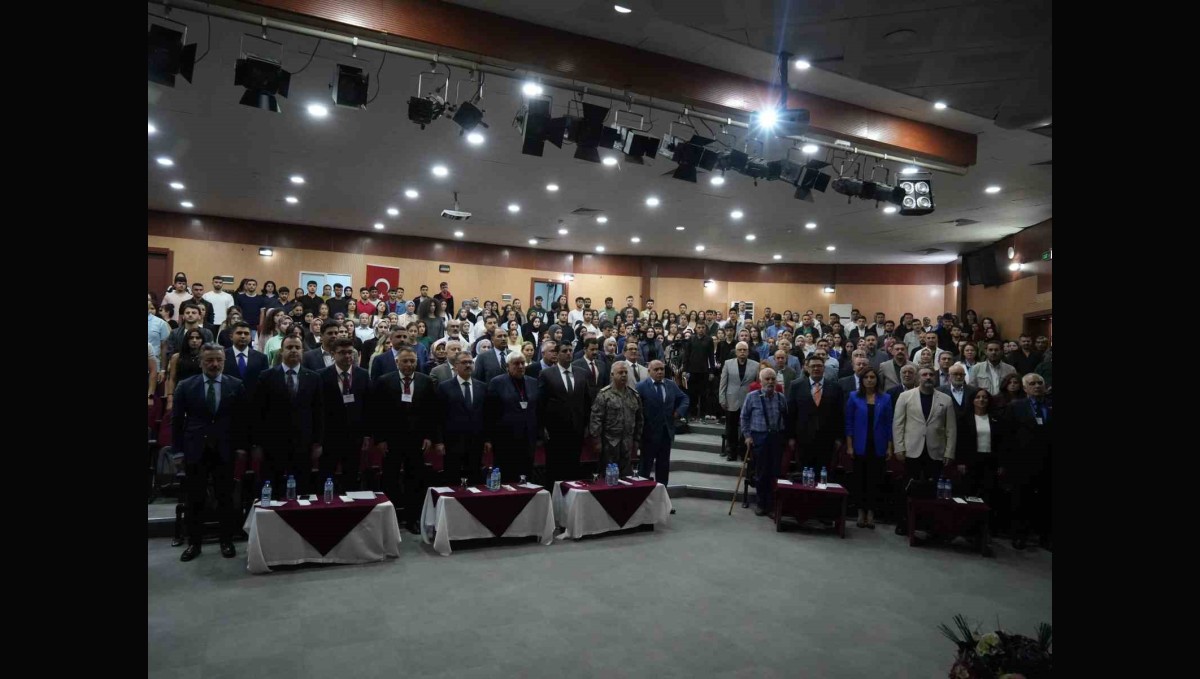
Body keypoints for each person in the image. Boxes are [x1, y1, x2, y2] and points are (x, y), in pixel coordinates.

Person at [172, 343, 248, 561]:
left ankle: (226, 540)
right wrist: (177, 452)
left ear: (224, 361)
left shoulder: (236, 385)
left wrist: (242, 447)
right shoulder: (186, 386)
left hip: (225, 449)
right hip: (195, 450)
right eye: (209, 360)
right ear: (201, 361)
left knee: (225, 498)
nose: (214, 364)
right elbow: (177, 422)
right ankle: (194, 543)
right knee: (195, 499)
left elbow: (242, 421)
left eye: (218, 360)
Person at [370, 347, 438, 533]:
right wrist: (380, 439)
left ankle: (412, 519)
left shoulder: (425, 381)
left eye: (412, 361)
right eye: (405, 361)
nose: (409, 365)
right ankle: (389, 521)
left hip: (416, 440)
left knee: (414, 480)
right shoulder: (384, 381)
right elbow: (377, 413)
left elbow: (432, 413)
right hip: (391, 440)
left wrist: (429, 437)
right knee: (390, 479)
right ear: (397, 362)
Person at [252, 334, 326, 496]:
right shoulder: (267, 376)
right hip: (274, 442)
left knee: (302, 487)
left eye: (297, 348)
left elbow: (319, 412)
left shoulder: (314, 378)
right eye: (289, 347)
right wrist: (257, 444)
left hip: (303, 442)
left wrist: (318, 443)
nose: (293, 351)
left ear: (302, 351)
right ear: (281, 351)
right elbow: (258, 412)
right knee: (273, 487)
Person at [892, 367, 957, 536]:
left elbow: (951, 428)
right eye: (924, 375)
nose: (928, 377)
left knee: (933, 490)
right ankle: (903, 522)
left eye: (931, 375)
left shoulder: (946, 399)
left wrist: (949, 452)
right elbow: (898, 424)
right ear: (918, 378)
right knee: (906, 488)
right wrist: (899, 447)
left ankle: (929, 525)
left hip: (935, 451)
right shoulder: (905, 396)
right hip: (911, 450)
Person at [1002, 373, 1052, 550]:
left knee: (1046, 500)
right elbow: (1007, 436)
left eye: (1040, 383)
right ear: (1025, 388)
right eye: (1032, 383)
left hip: (1046, 461)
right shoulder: (1016, 407)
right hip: (1022, 461)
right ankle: (1019, 535)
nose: (1037, 386)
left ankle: (1045, 537)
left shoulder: (1049, 406)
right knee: (1021, 499)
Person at [318, 338, 371, 493]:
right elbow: (319, 408)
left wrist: (367, 434)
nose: (348, 356)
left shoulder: (362, 375)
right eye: (342, 352)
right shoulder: (322, 376)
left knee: (352, 476)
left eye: (350, 352)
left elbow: (368, 406)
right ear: (333, 354)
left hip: (354, 436)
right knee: (326, 476)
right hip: (330, 435)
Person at [844, 367, 893, 529]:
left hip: (878, 445)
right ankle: (860, 512)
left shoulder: (885, 398)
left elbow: (889, 424)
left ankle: (871, 513)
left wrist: (889, 447)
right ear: (862, 380)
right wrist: (850, 446)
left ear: (877, 380)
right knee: (859, 479)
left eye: (872, 377)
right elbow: (849, 423)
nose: (870, 380)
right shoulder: (853, 397)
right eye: (866, 377)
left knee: (875, 480)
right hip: (859, 445)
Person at [538, 341, 592, 485]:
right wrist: (542, 427)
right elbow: (541, 403)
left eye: (570, 350)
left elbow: (587, 402)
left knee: (573, 467)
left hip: (577, 428)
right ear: (557, 354)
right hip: (555, 430)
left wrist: (587, 425)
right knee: (555, 468)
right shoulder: (546, 374)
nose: (569, 353)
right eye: (564, 351)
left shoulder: (582, 373)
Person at [483, 352, 540, 482]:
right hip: (505, 439)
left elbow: (537, 409)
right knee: (507, 477)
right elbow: (490, 413)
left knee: (526, 476)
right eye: (516, 363)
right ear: (507, 366)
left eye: (522, 363)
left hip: (528, 438)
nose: (520, 366)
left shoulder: (533, 382)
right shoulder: (497, 383)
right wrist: (489, 438)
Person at [741, 368, 789, 517]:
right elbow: (744, 417)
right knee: (761, 472)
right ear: (760, 381)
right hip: (759, 437)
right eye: (767, 379)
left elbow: (786, 416)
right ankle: (761, 504)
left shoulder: (781, 397)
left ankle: (773, 505)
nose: (770, 382)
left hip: (776, 438)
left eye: (773, 379)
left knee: (775, 472)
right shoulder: (751, 397)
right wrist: (747, 436)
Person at [434, 351, 487, 485]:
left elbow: (486, 416)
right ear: (456, 366)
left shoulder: (482, 387)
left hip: (476, 441)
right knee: (453, 480)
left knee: (475, 479)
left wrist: (488, 439)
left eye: (470, 362)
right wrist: (439, 441)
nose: (468, 365)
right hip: (453, 442)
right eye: (464, 362)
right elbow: (439, 416)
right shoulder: (444, 387)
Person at [788, 355, 844, 479]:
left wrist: (839, 438)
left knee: (823, 475)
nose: (816, 368)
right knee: (804, 474)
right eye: (813, 366)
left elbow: (839, 414)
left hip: (827, 440)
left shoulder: (835, 387)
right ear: (807, 368)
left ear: (824, 368)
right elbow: (792, 413)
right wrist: (791, 437)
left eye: (819, 366)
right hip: (803, 439)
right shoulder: (796, 386)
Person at [588, 361, 643, 476]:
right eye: (620, 373)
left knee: (626, 476)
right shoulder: (604, 394)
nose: (624, 375)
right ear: (612, 375)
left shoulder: (634, 395)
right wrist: (596, 441)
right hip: (609, 442)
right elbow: (596, 419)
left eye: (625, 373)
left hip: (627, 442)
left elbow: (639, 419)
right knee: (609, 476)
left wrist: (637, 439)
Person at [719, 342, 759, 462]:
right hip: (731, 399)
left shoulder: (756, 365)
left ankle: (743, 452)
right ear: (736, 352)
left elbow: (757, 384)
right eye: (740, 350)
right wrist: (722, 398)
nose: (742, 352)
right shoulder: (728, 363)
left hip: (748, 400)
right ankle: (731, 452)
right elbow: (723, 382)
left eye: (744, 350)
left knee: (745, 428)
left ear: (748, 352)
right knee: (731, 428)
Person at [222, 321, 269, 397]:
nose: (243, 336)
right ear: (231, 336)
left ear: (251, 337)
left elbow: (265, 384)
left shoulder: (261, 358)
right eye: (239, 333)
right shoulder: (222, 356)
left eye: (246, 333)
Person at [165, 328, 207, 413]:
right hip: (181, 393)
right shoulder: (176, 357)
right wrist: (170, 399)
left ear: (202, 340)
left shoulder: (206, 358)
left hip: (201, 394)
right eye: (191, 338)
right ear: (186, 340)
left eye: (198, 338)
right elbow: (172, 379)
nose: (194, 340)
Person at [680, 322, 715, 422]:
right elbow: (686, 355)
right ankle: (692, 413)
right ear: (695, 329)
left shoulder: (709, 340)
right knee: (692, 393)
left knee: (704, 393)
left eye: (703, 327)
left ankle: (703, 414)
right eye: (699, 327)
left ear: (705, 329)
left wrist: (711, 371)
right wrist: (684, 370)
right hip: (692, 370)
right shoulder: (691, 339)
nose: (701, 329)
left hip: (704, 371)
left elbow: (711, 356)